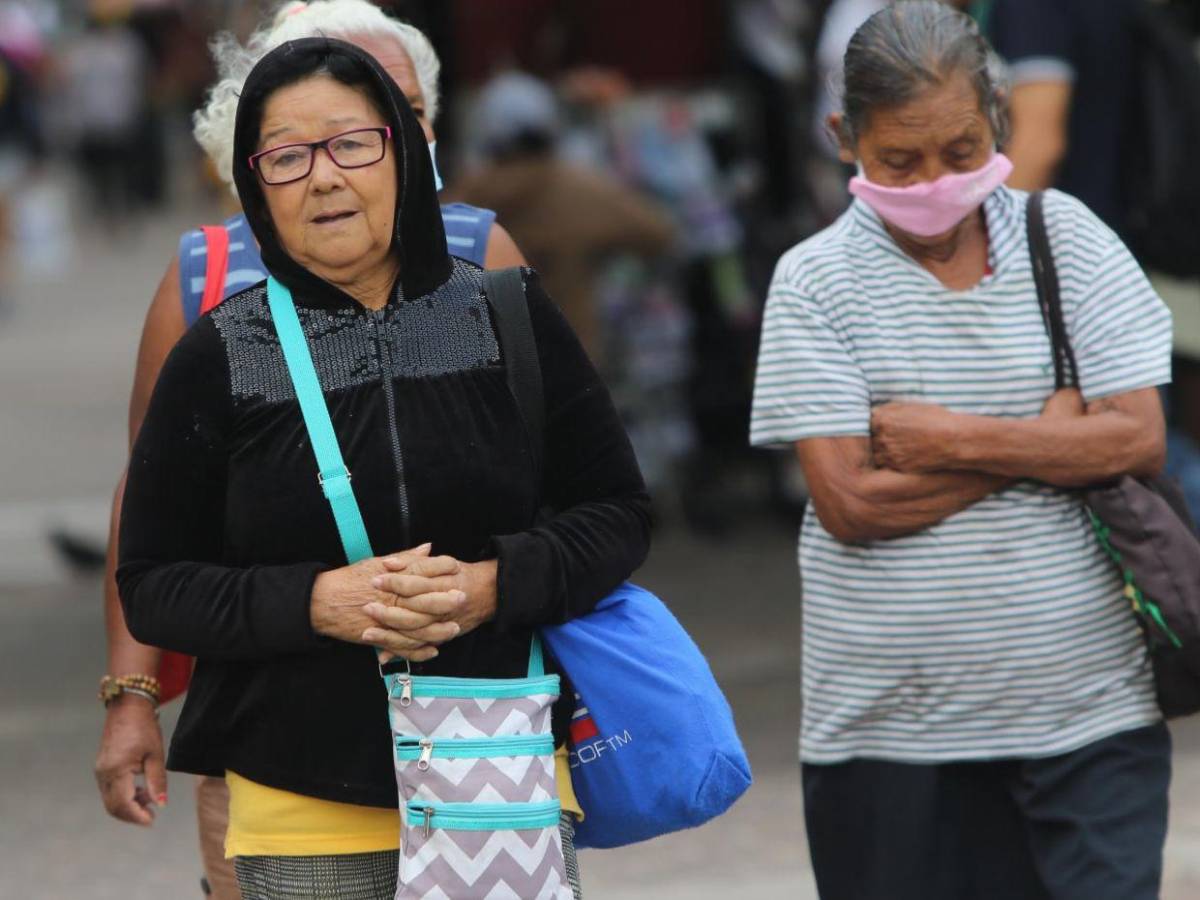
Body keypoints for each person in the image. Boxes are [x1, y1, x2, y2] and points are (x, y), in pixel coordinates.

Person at [117, 35, 649, 898]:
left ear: (404, 153)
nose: (324, 177)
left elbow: (618, 515)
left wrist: (492, 586)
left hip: (498, 770)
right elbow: (153, 582)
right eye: (286, 157)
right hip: (300, 798)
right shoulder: (219, 354)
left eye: (352, 144)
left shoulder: (503, 313)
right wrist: (316, 602)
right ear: (254, 187)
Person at [750, 4, 1173, 898]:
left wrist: (948, 439)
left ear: (998, 122)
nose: (935, 181)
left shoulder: (1069, 240)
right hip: (891, 737)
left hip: (1090, 717)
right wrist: (1053, 441)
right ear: (844, 137)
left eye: (961, 150)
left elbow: (1136, 438)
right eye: (899, 160)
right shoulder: (815, 282)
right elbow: (851, 504)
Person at [448, 71, 674, 362]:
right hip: (571, 367)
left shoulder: (462, 199)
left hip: (483, 371)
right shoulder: (580, 189)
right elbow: (660, 233)